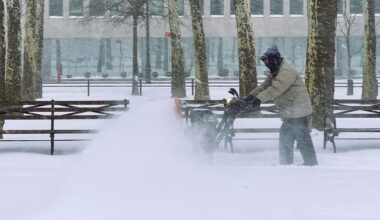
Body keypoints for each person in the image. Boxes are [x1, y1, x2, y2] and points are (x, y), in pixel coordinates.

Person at [244, 46, 318, 166]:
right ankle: (287, 163)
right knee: (288, 138)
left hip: (298, 111)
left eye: (267, 61)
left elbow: (275, 89)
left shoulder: (286, 71)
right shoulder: (276, 71)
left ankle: (308, 164)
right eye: (264, 62)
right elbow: (264, 86)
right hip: (291, 112)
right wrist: (250, 96)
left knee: (300, 138)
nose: (266, 64)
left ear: (274, 59)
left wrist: (258, 100)